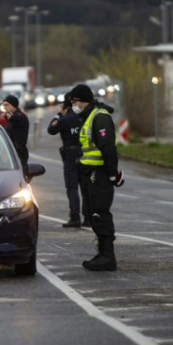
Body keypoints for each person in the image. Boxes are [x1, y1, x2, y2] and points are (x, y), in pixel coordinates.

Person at [70, 84, 125, 272]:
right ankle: (102, 254)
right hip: (89, 172)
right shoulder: (87, 116)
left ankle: (108, 257)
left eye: (75, 101)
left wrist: (112, 175)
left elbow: (108, 148)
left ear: (84, 100)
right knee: (93, 214)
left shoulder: (99, 117)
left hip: (99, 173)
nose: (73, 105)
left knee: (100, 213)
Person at [47, 93, 87, 228]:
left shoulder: (65, 119)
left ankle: (75, 217)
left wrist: (58, 114)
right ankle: (88, 218)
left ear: (64, 105)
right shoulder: (84, 117)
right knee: (85, 186)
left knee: (72, 186)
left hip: (70, 154)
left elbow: (51, 129)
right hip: (84, 153)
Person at [1, 95, 29, 172]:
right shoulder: (13, 117)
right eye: (4, 105)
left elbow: (17, 119)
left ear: (13, 105)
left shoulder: (20, 116)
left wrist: (9, 118)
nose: (5, 107)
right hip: (11, 152)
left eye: (7, 105)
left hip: (19, 153)